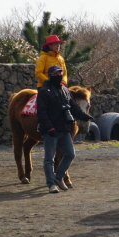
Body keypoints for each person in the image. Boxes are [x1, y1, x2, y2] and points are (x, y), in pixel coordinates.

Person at [36, 64, 93, 194]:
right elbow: (41, 112)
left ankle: (58, 177)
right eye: (56, 74)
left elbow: (74, 108)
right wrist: (49, 128)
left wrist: (85, 117)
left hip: (64, 129)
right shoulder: (44, 91)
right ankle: (51, 184)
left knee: (70, 154)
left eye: (60, 73)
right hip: (50, 131)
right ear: (50, 76)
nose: (59, 75)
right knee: (49, 159)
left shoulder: (65, 90)